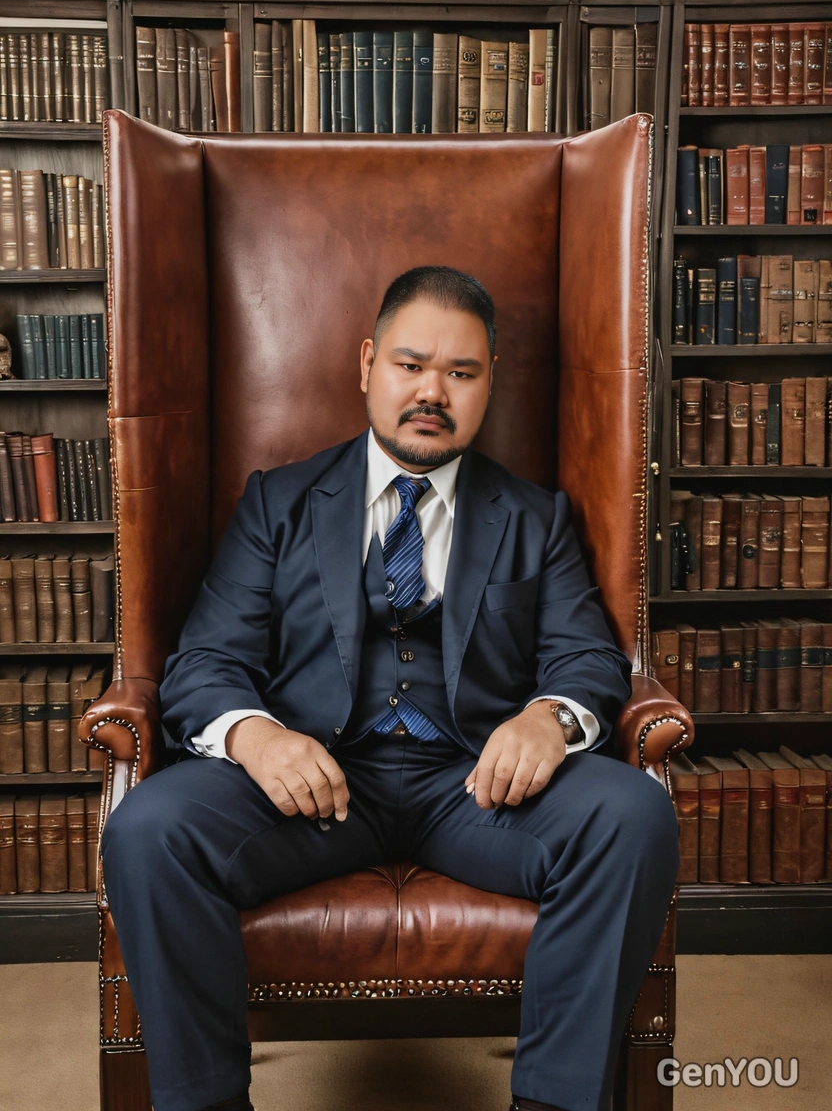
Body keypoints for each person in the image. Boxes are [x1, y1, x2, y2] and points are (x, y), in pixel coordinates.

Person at [101, 265, 680, 1111]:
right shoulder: (279, 503)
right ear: (367, 363)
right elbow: (204, 662)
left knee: (634, 816)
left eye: (461, 373)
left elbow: (588, 658)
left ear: (488, 385)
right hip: (313, 791)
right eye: (411, 365)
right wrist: (259, 738)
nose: (432, 392)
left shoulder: (534, 517)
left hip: (475, 791)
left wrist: (548, 720)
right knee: (147, 829)